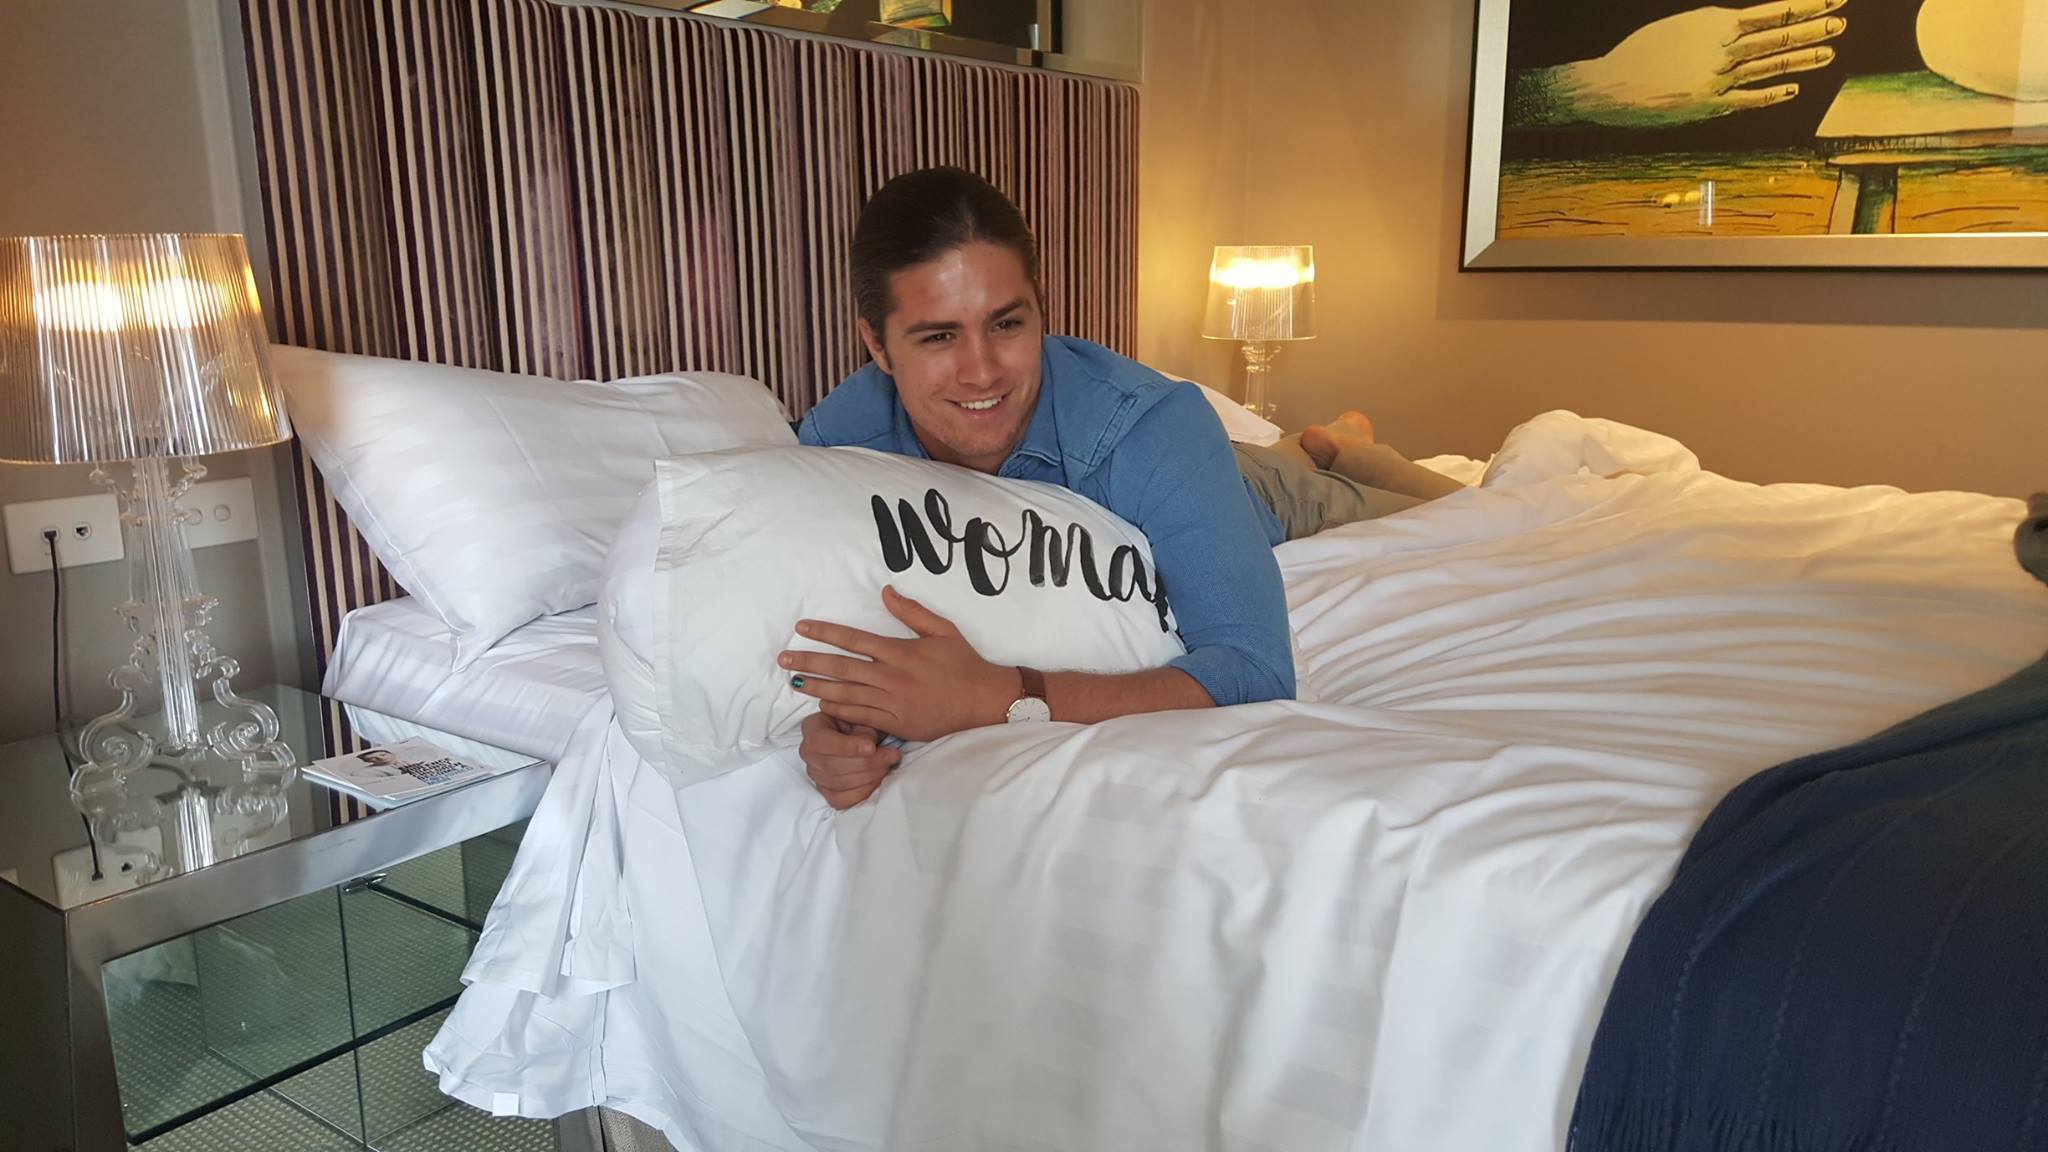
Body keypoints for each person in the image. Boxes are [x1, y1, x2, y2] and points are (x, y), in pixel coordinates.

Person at [785, 167, 1463, 809]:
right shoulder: (838, 445)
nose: (982, 371)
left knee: (1441, 505)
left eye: (1007, 324)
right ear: (877, 345)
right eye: (939, 337)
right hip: (1202, 465)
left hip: (1260, 493)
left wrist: (1001, 697)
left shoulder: (1154, 427)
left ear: (1040, 312)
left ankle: (1346, 446)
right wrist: (833, 732)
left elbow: (1255, 672)